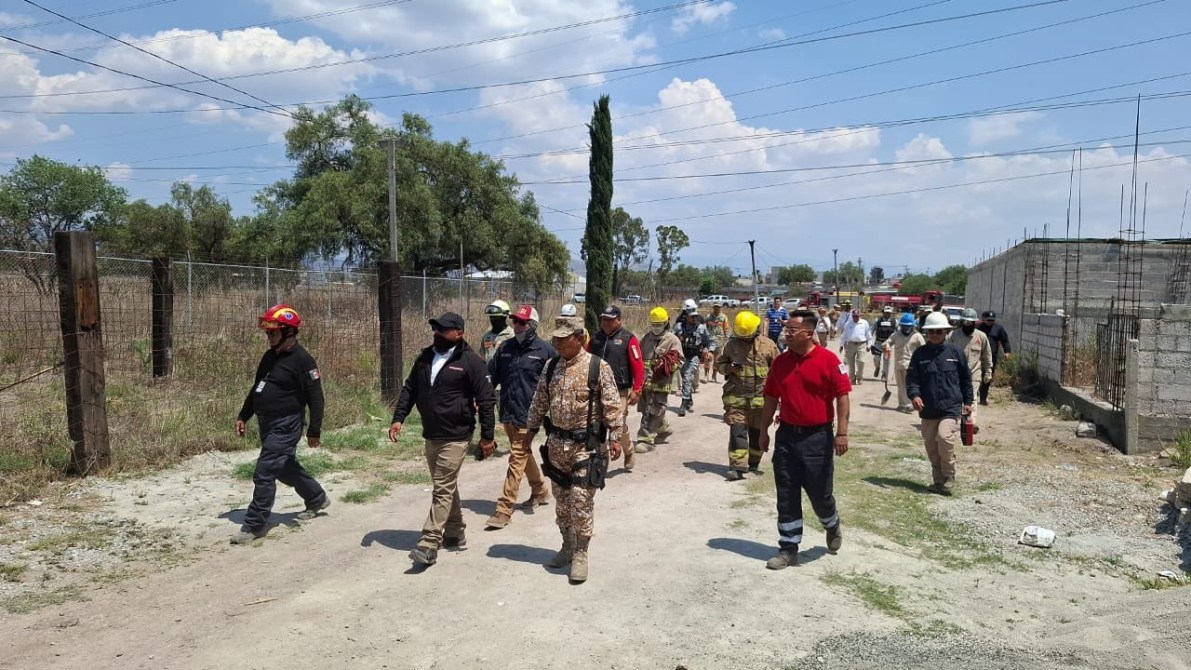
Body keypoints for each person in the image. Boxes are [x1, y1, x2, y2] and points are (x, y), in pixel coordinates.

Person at [389, 312, 496, 567]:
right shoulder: (426, 357)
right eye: (435, 329)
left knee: (442, 486)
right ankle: (455, 530)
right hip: (432, 432)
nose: (437, 333)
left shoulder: (471, 361)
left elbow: (486, 400)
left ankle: (428, 543)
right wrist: (398, 417)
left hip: (457, 435)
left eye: (443, 329)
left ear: (458, 333)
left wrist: (487, 436)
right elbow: (410, 389)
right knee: (445, 485)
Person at [523, 315, 623, 584]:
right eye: (554, 339)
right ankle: (567, 546)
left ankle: (581, 552)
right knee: (562, 501)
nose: (557, 343)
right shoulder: (551, 366)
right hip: (557, 445)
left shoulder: (597, 367)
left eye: (563, 339)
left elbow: (613, 405)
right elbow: (540, 400)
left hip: (586, 446)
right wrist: (530, 430)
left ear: (579, 339)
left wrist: (616, 437)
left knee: (580, 499)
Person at [758, 309, 851, 569]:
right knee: (786, 492)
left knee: (820, 493)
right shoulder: (781, 362)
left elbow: (843, 397)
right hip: (787, 435)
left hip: (817, 438)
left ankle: (831, 523)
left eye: (792, 330)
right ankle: (788, 548)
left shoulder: (829, 361)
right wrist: (764, 431)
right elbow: (770, 398)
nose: (786, 334)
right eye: (786, 329)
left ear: (809, 333)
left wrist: (841, 433)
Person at [232, 304, 330, 545]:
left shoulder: (303, 360)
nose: (269, 337)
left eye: (273, 333)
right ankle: (316, 498)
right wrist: (243, 416)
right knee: (284, 467)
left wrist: (314, 430)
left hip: (288, 423)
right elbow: (257, 389)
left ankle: (254, 524)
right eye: (267, 333)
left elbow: (316, 398)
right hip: (267, 422)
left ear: (289, 333)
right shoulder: (269, 357)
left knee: (264, 471)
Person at [485, 305, 555, 530]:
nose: (517, 326)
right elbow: (492, 375)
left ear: (532, 325)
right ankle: (540, 490)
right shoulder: (505, 348)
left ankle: (504, 509)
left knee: (516, 459)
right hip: (507, 412)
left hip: (529, 416)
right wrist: (481, 399)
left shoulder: (546, 351)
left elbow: (555, 383)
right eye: (515, 321)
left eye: (522, 322)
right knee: (523, 453)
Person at [906, 311, 972, 496]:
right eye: (931, 331)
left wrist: (968, 402)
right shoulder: (920, 354)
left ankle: (950, 476)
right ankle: (938, 481)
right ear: (926, 333)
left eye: (939, 331)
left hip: (950, 407)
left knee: (944, 437)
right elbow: (912, 379)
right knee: (931, 447)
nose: (935, 335)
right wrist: (914, 396)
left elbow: (966, 379)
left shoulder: (956, 353)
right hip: (928, 409)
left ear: (946, 332)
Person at [717, 310, 780, 481]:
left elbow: (779, 371)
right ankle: (737, 467)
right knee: (737, 431)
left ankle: (753, 461)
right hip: (737, 398)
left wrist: (781, 398)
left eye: (748, 335)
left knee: (756, 433)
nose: (745, 338)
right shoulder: (731, 346)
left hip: (761, 401)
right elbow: (720, 364)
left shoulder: (768, 345)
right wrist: (728, 368)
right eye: (742, 335)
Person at [587, 305, 644, 472]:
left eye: (610, 320)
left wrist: (637, 389)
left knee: (618, 425)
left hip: (620, 391)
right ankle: (601, 460)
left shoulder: (628, 339)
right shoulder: (596, 338)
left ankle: (628, 450)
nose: (606, 322)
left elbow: (638, 366)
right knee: (597, 425)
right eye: (604, 319)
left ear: (619, 320)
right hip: (597, 390)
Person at [635, 307, 683, 453]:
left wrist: (667, 364)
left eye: (659, 324)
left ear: (666, 323)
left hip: (661, 382)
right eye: (653, 324)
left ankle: (646, 439)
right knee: (646, 407)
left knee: (653, 409)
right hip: (645, 381)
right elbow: (639, 358)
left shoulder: (672, 340)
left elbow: (680, 360)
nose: (656, 327)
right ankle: (663, 427)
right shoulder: (646, 338)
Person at [947, 308, 992, 421]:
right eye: (965, 322)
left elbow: (987, 355)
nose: (967, 324)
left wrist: (988, 371)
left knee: (972, 398)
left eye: (970, 322)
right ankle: (956, 419)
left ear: (974, 322)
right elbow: (945, 354)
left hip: (974, 374)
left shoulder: (981, 337)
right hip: (955, 374)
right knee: (956, 397)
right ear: (961, 322)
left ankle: (970, 422)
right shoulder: (953, 335)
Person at [674, 300, 714, 417]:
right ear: (686, 316)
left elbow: (710, 341)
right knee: (685, 378)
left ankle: (683, 403)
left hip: (694, 356)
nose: (694, 318)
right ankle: (689, 400)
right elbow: (670, 338)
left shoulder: (701, 328)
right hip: (681, 357)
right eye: (692, 316)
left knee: (687, 377)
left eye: (696, 316)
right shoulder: (678, 327)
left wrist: (709, 350)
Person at [883, 313, 926, 412]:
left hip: (911, 366)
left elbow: (924, 349)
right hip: (899, 364)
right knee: (901, 385)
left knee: (910, 385)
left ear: (912, 326)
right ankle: (902, 404)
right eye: (904, 326)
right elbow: (887, 343)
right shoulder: (896, 335)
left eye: (908, 326)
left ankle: (910, 404)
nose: (906, 328)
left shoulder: (917, 336)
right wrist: (887, 347)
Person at [976, 310, 1013, 406]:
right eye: (988, 320)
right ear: (983, 319)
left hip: (992, 356)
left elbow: (1005, 340)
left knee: (988, 377)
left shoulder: (998, 328)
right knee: (976, 375)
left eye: (992, 320)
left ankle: (983, 398)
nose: (990, 322)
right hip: (977, 356)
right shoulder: (977, 328)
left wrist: (1007, 352)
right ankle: (973, 395)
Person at [839, 308, 873, 384]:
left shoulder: (864, 323)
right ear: (852, 316)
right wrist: (841, 345)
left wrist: (869, 344)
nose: (855, 317)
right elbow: (843, 335)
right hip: (850, 344)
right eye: (854, 316)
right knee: (851, 363)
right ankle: (852, 378)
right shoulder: (848, 323)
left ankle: (859, 377)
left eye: (857, 316)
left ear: (859, 315)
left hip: (861, 344)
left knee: (861, 361)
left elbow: (868, 334)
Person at [704, 303, 729, 382]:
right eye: (715, 307)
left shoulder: (724, 317)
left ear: (720, 308)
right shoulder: (708, 317)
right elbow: (705, 328)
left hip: (719, 341)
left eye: (718, 307)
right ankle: (706, 374)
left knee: (717, 360)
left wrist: (726, 339)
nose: (716, 309)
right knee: (707, 358)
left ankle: (714, 375)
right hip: (710, 340)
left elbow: (726, 329)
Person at [870, 306, 897, 380]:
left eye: (889, 313)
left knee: (886, 360)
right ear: (883, 312)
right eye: (886, 312)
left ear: (891, 313)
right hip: (878, 342)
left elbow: (898, 332)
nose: (887, 314)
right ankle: (877, 367)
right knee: (876, 359)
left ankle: (884, 375)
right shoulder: (877, 320)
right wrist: (869, 342)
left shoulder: (895, 321)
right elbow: (871, 330)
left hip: (888, 344)